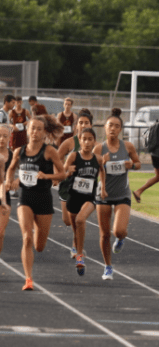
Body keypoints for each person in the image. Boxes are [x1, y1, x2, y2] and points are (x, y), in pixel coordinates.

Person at [4, 114, 65, 290]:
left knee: (39, 246)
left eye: (39, 129)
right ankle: (28, 279)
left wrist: (47, 176)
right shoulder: (19, 151)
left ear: (44, 132)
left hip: (44, 200)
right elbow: (11, 169)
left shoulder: (49, 151)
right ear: (28, 130)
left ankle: (36, 241)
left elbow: (62, 174)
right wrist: (10, 180)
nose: (35, 132)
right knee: (27, 237)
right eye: (32, 128)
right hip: (25, 198)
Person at [94, 108, 142, 280]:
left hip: (122, 194)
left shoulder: (127, 146)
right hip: (104, 195)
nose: (112, 129)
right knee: (104, 234)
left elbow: (138, 164)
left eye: (116, 126)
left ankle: (121, 238)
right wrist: (101, 162)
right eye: (110, 126)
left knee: (119, 231)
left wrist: (132, 165)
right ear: (105, 128)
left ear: (120, 129)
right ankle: (107, 266)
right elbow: (92, 170)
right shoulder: (99, 148)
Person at [64, 128, 107, 277]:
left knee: (81, 219)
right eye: (84, 139)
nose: (87, 142)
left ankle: (80, 256)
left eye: (90, 139)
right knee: (76, 229)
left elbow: (102, 171)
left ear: (94, 141)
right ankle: (77, 247)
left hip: (89, 198)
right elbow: (63, 171)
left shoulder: (98, 158)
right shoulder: (73, 156)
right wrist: (67, 171)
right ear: (80, 141)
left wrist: (103, 188)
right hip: (74, 197)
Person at [57, 108, 93, 259]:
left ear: (91, 125)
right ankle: (76, 238)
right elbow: (56, 158)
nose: (83, 125)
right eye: (81, 122)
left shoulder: (94, 143)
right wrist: (61, 172)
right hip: (67, 185)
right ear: (76, 125)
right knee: (67, 220)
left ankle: (75, 244)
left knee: (78, 218)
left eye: (86, 122)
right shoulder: (70, 142)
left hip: (84, 186)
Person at [0, 125, 13, 266]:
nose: (1, 139)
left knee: (1, 234)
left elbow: (23, 173)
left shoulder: (13, 155)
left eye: (4, 136)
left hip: (4, 197)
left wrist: (15, 181)